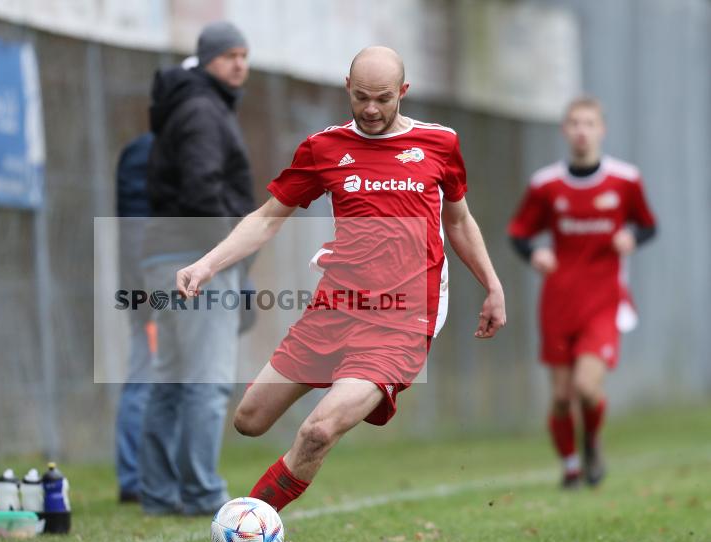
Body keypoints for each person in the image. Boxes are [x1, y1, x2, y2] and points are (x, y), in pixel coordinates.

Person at [177, 46, 506, 516]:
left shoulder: (440, 144)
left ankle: (247, 525)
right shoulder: (323, 148)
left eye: (384, 99)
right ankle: (339, 373)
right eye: (362, 98)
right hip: (335, 308)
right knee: (249, 420)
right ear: (347, 89)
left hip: (402, 319)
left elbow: (459, 221)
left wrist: (492, 286)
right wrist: (207, 265)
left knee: (317, 431)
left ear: (403, 94)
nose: (371, 109)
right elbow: (269, 218)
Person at [507, 96, 656, 488]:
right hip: (558, 301)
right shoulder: (546, 184)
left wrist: (632, 236)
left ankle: (591, 440)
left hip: (604, 299)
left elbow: (648, 224)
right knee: (560, 397)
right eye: (574, 123)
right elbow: (519, 232)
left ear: (601, 129)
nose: (581, 130)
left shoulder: (625, 180)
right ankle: (571, 466)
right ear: (565, 130)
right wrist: (535, 251)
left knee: (587, 388)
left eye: (589, 123)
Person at [139, 21, 254, 515]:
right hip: (196, 258)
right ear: (206, 60)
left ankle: (160, 492)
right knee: (207, 382)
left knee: (171, 379)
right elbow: (203, 190)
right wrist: (226, 258)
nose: (239, 64)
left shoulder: (188, 104)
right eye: (229, 55)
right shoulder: (204, 110)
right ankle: (203, 493)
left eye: (244, 56)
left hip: (164, 255)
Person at [114, 132, 154, 503]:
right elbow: (138, 227)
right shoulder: (148, 152)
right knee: (146, 380)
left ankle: (148, 474)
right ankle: (135, 477)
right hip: (153, 289)